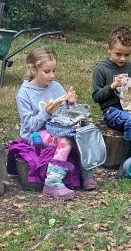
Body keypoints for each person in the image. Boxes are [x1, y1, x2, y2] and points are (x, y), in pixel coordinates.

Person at [16, 45, 96, 200]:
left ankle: (86, 172)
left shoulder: (56, 86)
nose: (52, 75)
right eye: (47, 71)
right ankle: (52, 182)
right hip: (36, 134)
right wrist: (47, 112)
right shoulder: (24, 94)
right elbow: (29, 125)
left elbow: (64, 113)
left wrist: (70, 104)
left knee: (82, 132)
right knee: (65, 139)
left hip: (57, 127)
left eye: (54, 70)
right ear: (33, 69)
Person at [92, 26, 131, 175]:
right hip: (111, 111)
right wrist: (112, 86)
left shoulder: (130, 66)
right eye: (118, 54)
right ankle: (125, 164)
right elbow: (96, 96)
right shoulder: (101, 69)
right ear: (108, 48)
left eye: (127, 55)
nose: (122, 59)